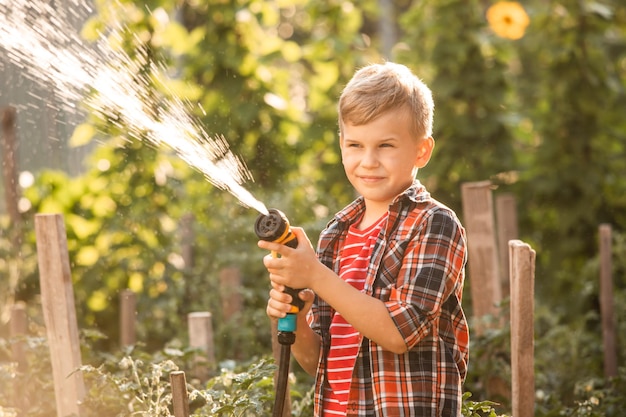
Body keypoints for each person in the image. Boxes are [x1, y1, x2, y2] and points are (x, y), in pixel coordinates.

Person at [258, 62, 469, 417]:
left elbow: (400, 334)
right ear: (341, 144)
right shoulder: (335, 235)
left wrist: (315, 276)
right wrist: (294, 315)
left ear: (421, 151)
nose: (368, 161)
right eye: (355, 144)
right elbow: (318, 363)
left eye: (385, 145)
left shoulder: (434, 224)